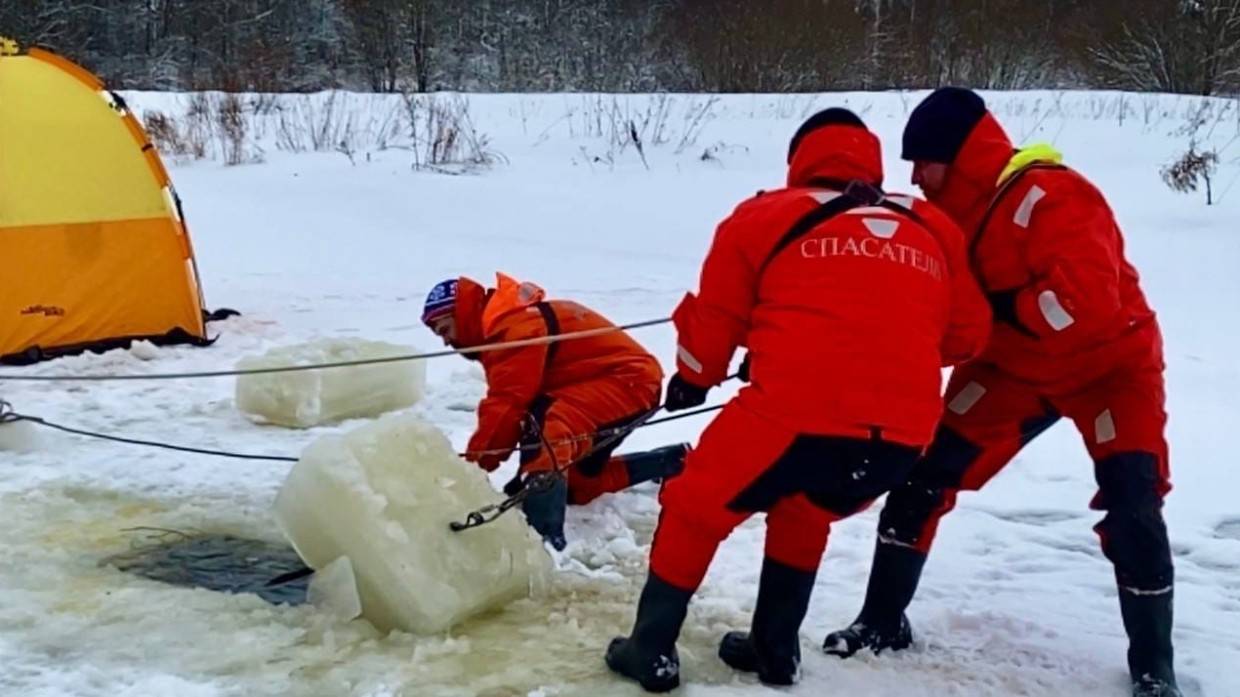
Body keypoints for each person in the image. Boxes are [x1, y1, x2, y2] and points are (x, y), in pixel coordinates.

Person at [604, 108, 991, 692]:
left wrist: (693, 378)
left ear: (800, 158)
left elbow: (716, 319)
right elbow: (966, 338)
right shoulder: (933, 226)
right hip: (903, 436)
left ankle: (650, 648)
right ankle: (775, 649)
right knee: (806, 509)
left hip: (794, 414)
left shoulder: (765, 215)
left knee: (694, 504)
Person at [821, 87, 1180, 697]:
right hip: (1011, 373)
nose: (917, 176)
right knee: (920, 477)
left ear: (958, 155)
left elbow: (1085, 306)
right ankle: (881, 621)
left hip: (1111, 371)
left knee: (1134, 507)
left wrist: (1000, 312)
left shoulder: (1055, 195)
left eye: (924, 162)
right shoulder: (948, 213)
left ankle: (1154, 669)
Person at [422, 273, 686, 550]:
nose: (446, 342)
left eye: (444, 329)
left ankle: (545, 543)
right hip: (623, 382)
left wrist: (470, 470)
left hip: (627, 382)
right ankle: (671, 462)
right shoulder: (509, 324)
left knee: (549, 429)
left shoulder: (514, 330)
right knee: (575, 484)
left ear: (461, 315)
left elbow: (506, 406)